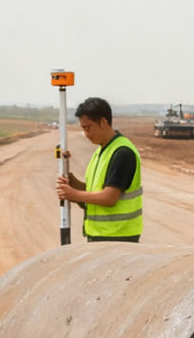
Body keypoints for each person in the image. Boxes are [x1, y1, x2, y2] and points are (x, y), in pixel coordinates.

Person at [55, 97, 143, 242]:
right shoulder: (101, 151)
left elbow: (109, 198)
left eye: (88, 128)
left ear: (102, 122)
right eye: (83, 129)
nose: (86, 134)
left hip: (118, 237)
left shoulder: (122, 153)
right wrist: (71, 182)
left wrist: (74, 194)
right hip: (102, 235)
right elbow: (93, 192)